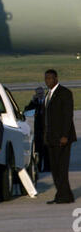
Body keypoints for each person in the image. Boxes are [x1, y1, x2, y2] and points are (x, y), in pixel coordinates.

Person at [44, 69, 76, 204]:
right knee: (55, 168)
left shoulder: (65, 93)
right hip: (51, 138)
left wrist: (64, 135)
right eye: (46, 79)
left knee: (61, 168)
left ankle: (64, 196)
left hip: (62, 138)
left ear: (56, 78)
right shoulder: (48, 95)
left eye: (50, 78)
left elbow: (68, 116)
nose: (48, 81)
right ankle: (63, 195)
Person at [24, 86, 50, 172]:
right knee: (38, 150)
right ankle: (38, 167)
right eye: (38, 94)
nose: (40, 95)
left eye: (41, 93)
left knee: (47, 150)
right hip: (38, 130)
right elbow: (27, 111)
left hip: (47, 129)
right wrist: (32, 101)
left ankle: (47, 167)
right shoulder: (35, 103)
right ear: (36, 94)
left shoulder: (47, 102)